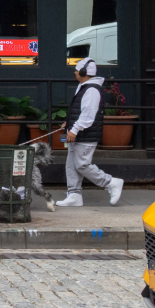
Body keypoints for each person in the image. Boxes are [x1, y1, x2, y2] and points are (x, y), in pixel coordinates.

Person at [56, 58, 123, 207]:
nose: (74, 72)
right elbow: (81, 111)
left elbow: (88, 116)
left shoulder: (91, 90)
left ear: (83, 72)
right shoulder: (85, 87)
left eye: (77, 69)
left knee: (82, 165)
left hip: (85, 134)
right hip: (79, 133)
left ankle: (111, 182)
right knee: (71, 164)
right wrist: (70, 123)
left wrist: (74, 129)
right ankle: (74, 195)